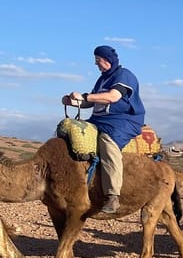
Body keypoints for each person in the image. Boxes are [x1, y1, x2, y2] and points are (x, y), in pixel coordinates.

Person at [62, 45, 145, 214]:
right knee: (70, 133)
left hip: (122, 120)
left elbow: (113, 97)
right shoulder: (102, 79)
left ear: (107, 60)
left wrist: (84, 97)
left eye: (97, 60)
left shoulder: (124, 75)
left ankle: (112, 195)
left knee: (107, 142)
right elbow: (91, 102)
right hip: (99, 119)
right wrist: (72, 102)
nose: (96, 64)